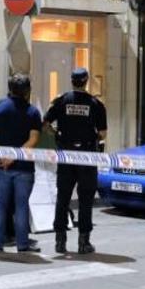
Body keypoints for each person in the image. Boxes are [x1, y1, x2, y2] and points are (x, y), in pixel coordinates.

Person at [44, 67, 108, 254]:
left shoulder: (61, 101)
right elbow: (102, 133)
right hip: (87, 155)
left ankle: (60, 241)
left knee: (63, 197)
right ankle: (83, 242)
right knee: (86, 198)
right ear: (86, 81)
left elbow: (46, 124)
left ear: (72, 81)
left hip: (66, 153)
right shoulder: (95, 104)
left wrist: (57, 134)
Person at [0, 74, 44, 254]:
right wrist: (15, 156)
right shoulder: (33, 112)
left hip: (1, 166)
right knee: (21, 205)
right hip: (24, 168)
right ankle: (22, 245)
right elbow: (33, 140)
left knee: (0, 204)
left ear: (9, 88)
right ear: (27, 91)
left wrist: (3, 154)